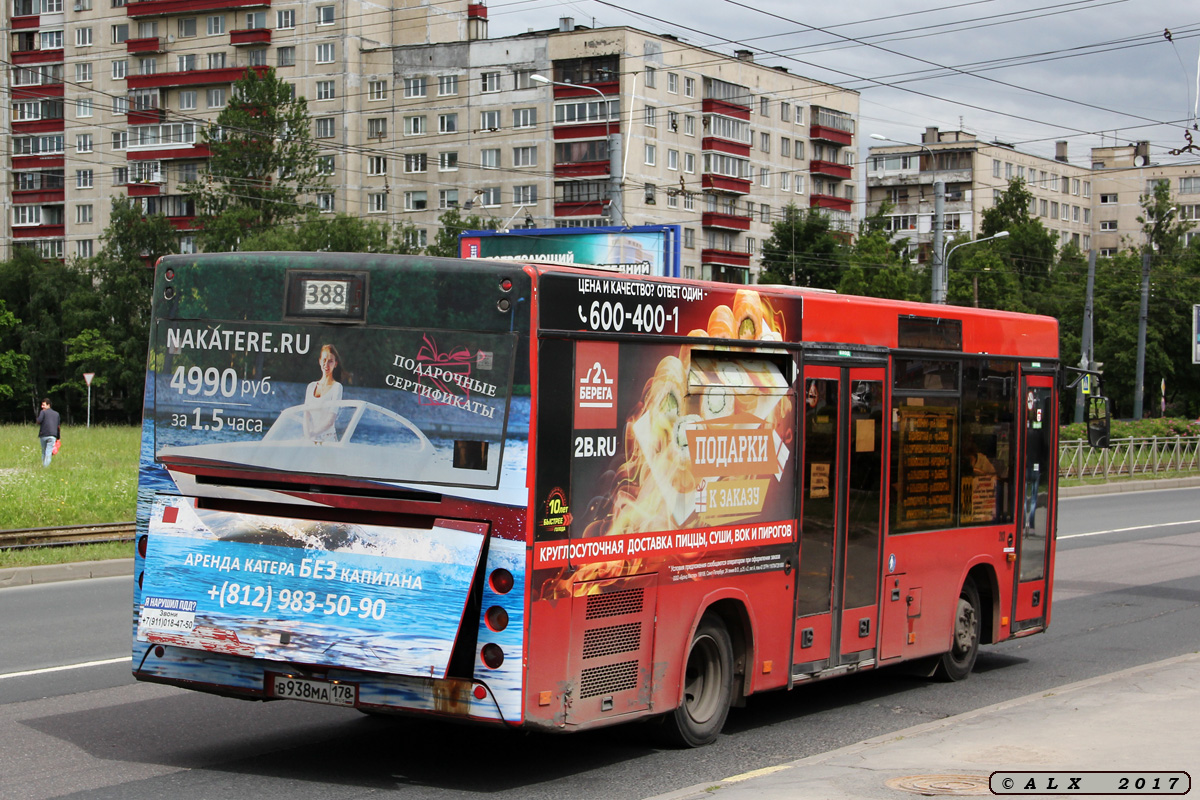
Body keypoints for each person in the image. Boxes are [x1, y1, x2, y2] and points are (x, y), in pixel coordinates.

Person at [303, 344, 344, 444]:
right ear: (320, 361)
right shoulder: (311, 387)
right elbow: (306, 416)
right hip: (312, 440)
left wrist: (313, 433)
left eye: (330, 361)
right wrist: (308, 436)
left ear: (335, 364)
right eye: (324, 360)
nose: (326, 364)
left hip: (329, 441)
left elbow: (330, 420)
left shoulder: (337, 387)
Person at [36, 398, 61, 467]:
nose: (42, 406)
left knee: (44, 451)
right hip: (53, 435)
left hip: (44, 434)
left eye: (43, 405)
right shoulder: (57, 414)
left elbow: (39, 421)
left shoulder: (43, 412)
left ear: (48, 405)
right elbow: (58, 427)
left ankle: (44, 467)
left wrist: (37, 419)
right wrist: (58, 437)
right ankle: (45, 467)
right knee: (49, 452)